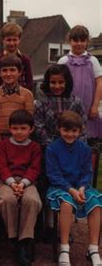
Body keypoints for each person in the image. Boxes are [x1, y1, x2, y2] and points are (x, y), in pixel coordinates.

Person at [45, 111, 102, 266]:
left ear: (80, 130)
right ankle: (64, 248)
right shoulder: (52, 149)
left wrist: (82, 188)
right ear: (59, 129)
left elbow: (87, 172)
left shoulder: (84, 149)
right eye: (66, 130)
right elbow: (53, 174)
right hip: (60, 187)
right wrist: (71, 190)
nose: (70, 134)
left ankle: (93, 248)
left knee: (96, 204)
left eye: (74, 131)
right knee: (66, 204)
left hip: (81, 187)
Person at [0, 110, 42, 266]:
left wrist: (22, 184)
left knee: (32, 200)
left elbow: (34, 168)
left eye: (23, 128)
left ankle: (24, 242)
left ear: (31, 129)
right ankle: (13, 238)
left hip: (27, 182)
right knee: (7, 200)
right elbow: (1, 166)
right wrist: (12, 184)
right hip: (6, 181)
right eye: (15, 128)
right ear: (9, 129)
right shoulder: (3, 145)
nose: (19, 132)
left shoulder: (35, 147)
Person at [58, 25, 102, 140]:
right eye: (75, 40)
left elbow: (99, 83)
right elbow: (56, 84)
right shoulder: (63, 61)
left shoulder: (93, 61)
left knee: (89, 139)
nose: (79, 44)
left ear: (87, 41)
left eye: (82, 40)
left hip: (88, 107)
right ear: (69, 41)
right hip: (68, 107)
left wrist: (95, 106)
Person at [34, 64, 87, 148]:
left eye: (61, 82)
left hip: (73, 146)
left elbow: (83, 127)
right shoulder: (42, 102)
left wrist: (77, 146)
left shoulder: (76, 102)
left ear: (67, 82)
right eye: (53, 82)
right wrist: (53, 146)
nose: (57, 86)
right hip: (49, 147)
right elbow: (39, 127)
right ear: (48, 82)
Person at [0, 54, 34, 144]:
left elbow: (29, 121)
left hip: (20, 139)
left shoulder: (27, 95)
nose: (8, 74)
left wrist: (20, 139)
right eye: (4, 70)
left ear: (19, 72)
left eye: (12, 70)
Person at [0, 23, 33, 91]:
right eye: (8, 40)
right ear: (3, 40)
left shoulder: (25, 60)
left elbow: (29, 83)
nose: (11, 43)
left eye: (14, 40)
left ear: (19, 40)